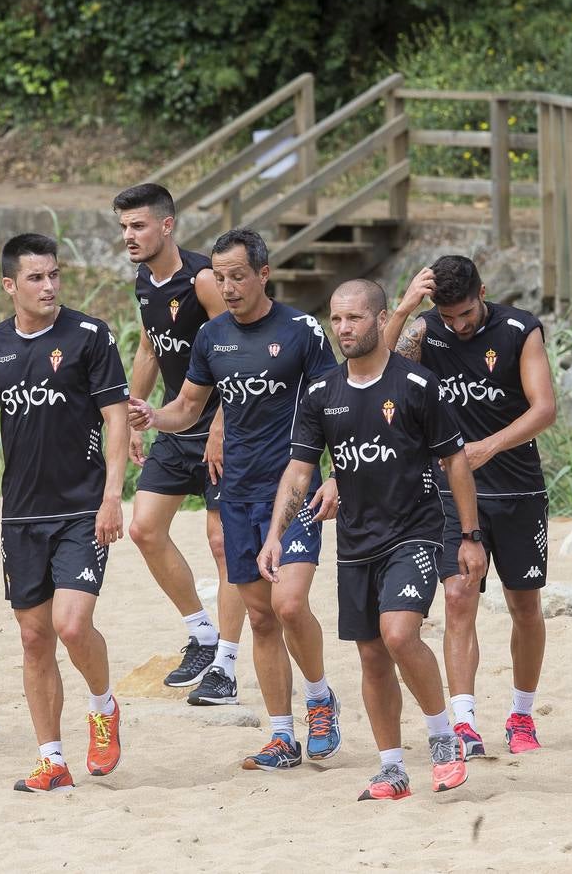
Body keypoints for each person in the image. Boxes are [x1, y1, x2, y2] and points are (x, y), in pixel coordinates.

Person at [128, 227, 343, 771]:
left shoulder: (301, 331)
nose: (226, 287)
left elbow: (335, 405)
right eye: (219, 277)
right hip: (238, 489)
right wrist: (155, 416)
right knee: (261, 617)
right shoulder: (212, 336)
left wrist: (339, 473)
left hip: (292, 488)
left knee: (289, 604)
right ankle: (279, 736)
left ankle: (319, 698)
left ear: (264, 274)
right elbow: (189, 406)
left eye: (238, 277)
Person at [261, 279, 485, 800]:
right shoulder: (321, 393)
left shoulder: (416, 385)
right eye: (336, 319)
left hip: (415, 531)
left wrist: (469, 536)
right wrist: (277, 534)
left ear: (382, 319)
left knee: (400, 634)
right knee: (371, 657)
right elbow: (300, 471)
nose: (344, 328)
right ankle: (391, 769)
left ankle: (443, 740)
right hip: (357, 539)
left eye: (355, 318)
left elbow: (454, 461)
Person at [0, 233, 130, 793]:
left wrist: (114, 494)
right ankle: (52, 759)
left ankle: (103, 707)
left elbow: (115, 417)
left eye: (54, 276)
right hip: (21, 516)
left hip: (82, 509)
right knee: (33, 638)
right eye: (36, 278)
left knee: (72, 625)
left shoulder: (90, 337)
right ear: (9, 285)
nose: (49, 286)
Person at [383, 256, 556, 759]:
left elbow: (544, 409)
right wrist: (404, 308)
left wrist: (487, 447)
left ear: (483, 291)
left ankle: (522, 714)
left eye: (465, 314)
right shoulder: (424, 329)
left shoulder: (520, 330)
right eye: (448, 316)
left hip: (517, 488)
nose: (457, 326)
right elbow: (374, 368)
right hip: (448, 492)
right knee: (459, 597)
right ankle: (464, 723)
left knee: (525, 604)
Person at [115, 183, 244, 705]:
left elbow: (240, 351)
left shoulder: (205, 280)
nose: (129, 235)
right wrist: (132, 415)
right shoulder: (145, 277)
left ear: (167, 225)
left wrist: (223, 426)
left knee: (222, 544)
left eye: (138, 225)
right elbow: (150, 345)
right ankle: (202, 633)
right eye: (124, 227)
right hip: (174, 420)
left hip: (223, 425)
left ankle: (227, 665)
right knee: (144, 528)